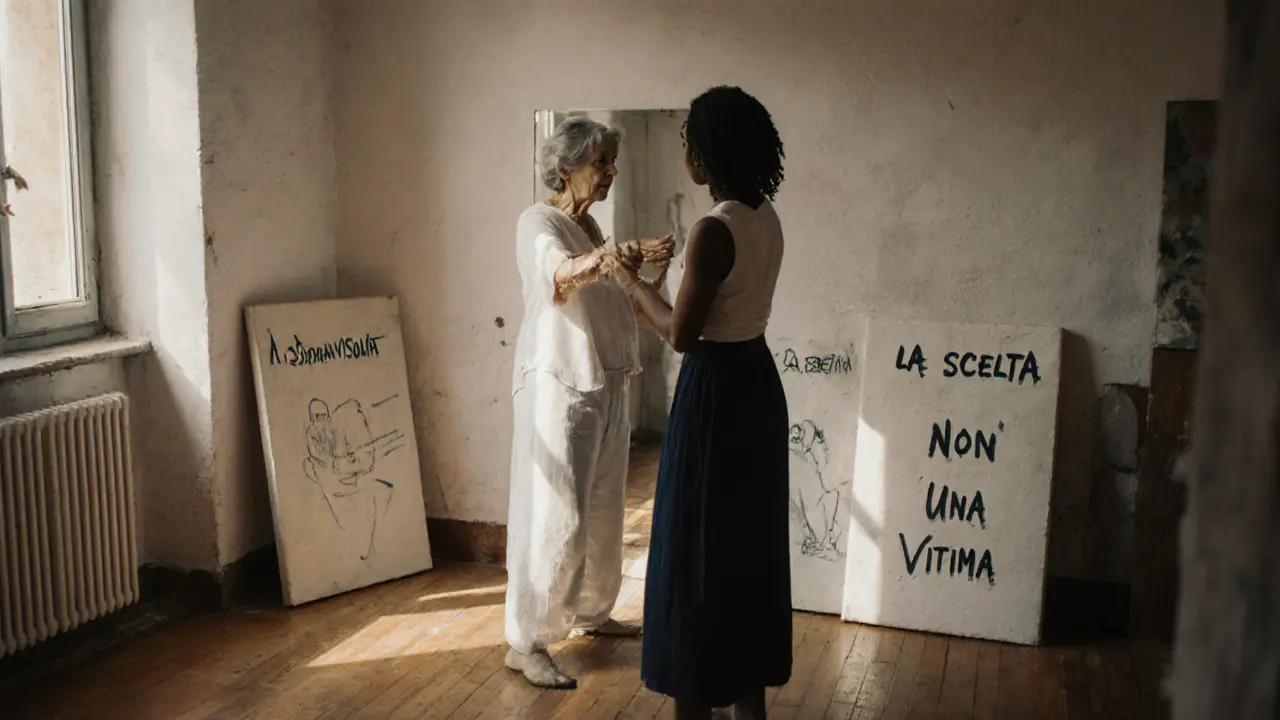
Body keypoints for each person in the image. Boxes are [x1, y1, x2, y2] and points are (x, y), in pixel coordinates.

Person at [622, 86, 792, 719]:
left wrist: (633, 285)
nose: (685, 151)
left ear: (708, 152)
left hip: (716, 391)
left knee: (695, 550)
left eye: (689, 140)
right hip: (756, 381)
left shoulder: (713, 229)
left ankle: (694, 698)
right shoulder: (764, 214)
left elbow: (682, 335)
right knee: (744, 550)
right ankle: (749, 705)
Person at [505, 116, 675, 689]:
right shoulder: (539, 221)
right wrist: (615, 255)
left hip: (603, 380)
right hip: (559, 383)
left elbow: (615, 307)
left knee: (603, 508)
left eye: (610, 161)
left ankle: (593, 613)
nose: (610, 171)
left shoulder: (591, 225)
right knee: (554, 512)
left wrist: (649, 267)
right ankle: (527, 642)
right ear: (565, 167)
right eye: (600, 161)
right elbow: (560, 277)